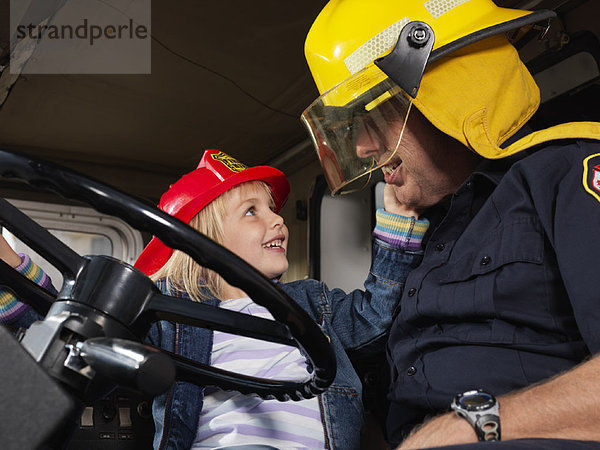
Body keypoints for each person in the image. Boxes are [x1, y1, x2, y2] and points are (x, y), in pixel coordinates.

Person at [301, 0, 600, 448]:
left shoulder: (564, 173)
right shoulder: (420, 233)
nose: (362, 147)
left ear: (447, 89)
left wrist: (473, 425)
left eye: (375, 115)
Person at [0, 149, 428, 449]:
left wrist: (398, 219)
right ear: (202, 242)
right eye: (251, 211)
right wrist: (14, 269)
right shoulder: (172, 315)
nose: (277, 218)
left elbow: (375, 319)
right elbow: (83, 342)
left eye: (273, 208)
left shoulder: (313, 304)